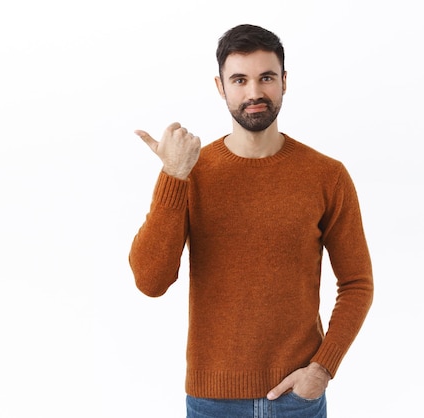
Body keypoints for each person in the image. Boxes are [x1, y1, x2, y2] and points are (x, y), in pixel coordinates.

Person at [128, 24, 373, 418]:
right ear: (220, 86)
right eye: (240, 80)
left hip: (299, 398)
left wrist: (322, 369)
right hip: (212, 401)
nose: (254, 93)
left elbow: (357, 283)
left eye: (266, 78)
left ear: (284, 82)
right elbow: (150, 281)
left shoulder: (327, 175)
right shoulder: (189, 171)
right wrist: (174, 176)